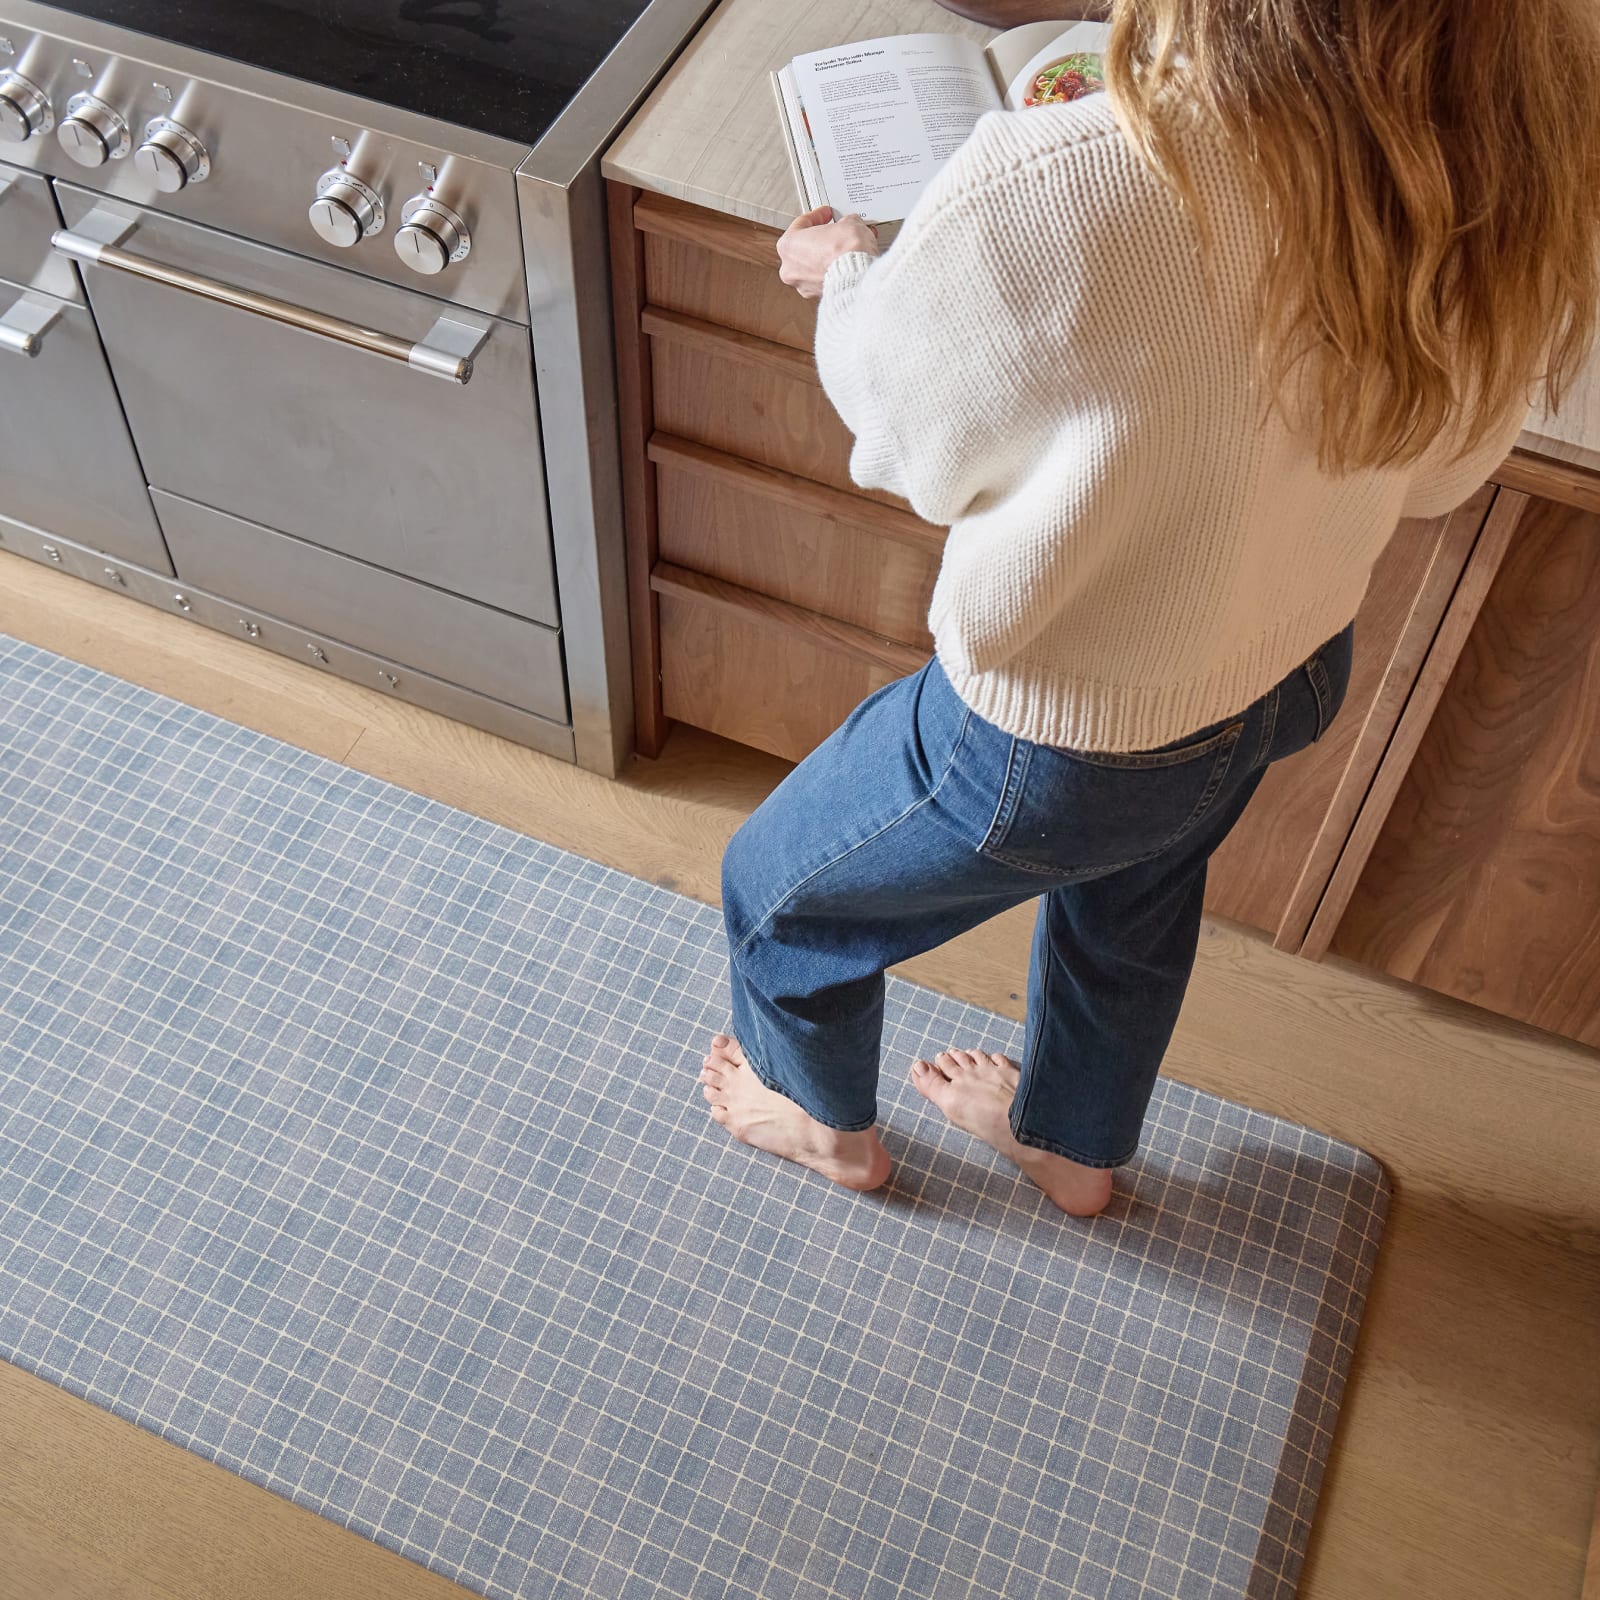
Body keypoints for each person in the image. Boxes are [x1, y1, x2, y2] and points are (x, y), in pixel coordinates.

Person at [700, 0, 1600, 1215]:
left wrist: (849, 273)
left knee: (781, 894)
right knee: (1131, 901)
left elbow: (910, 446)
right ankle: (1073, 1146)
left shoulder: (1071, 175)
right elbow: (1442, 471)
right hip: (1283, 669)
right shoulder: (1508, 168)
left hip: (1060, 732)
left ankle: (827, 1128)